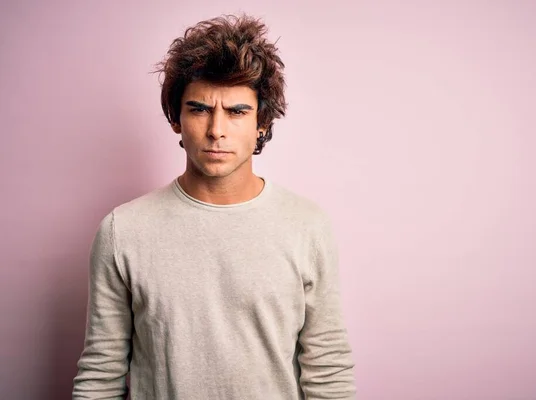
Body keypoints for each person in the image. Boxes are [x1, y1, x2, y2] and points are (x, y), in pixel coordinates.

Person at [72, 13, 356, 400]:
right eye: (200, 109)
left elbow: (328, 372)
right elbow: (100, 377)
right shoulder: (122, 232)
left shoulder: (307, 227)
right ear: (176, 119)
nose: (216, 129)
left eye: (237, 111)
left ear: (262, 122)